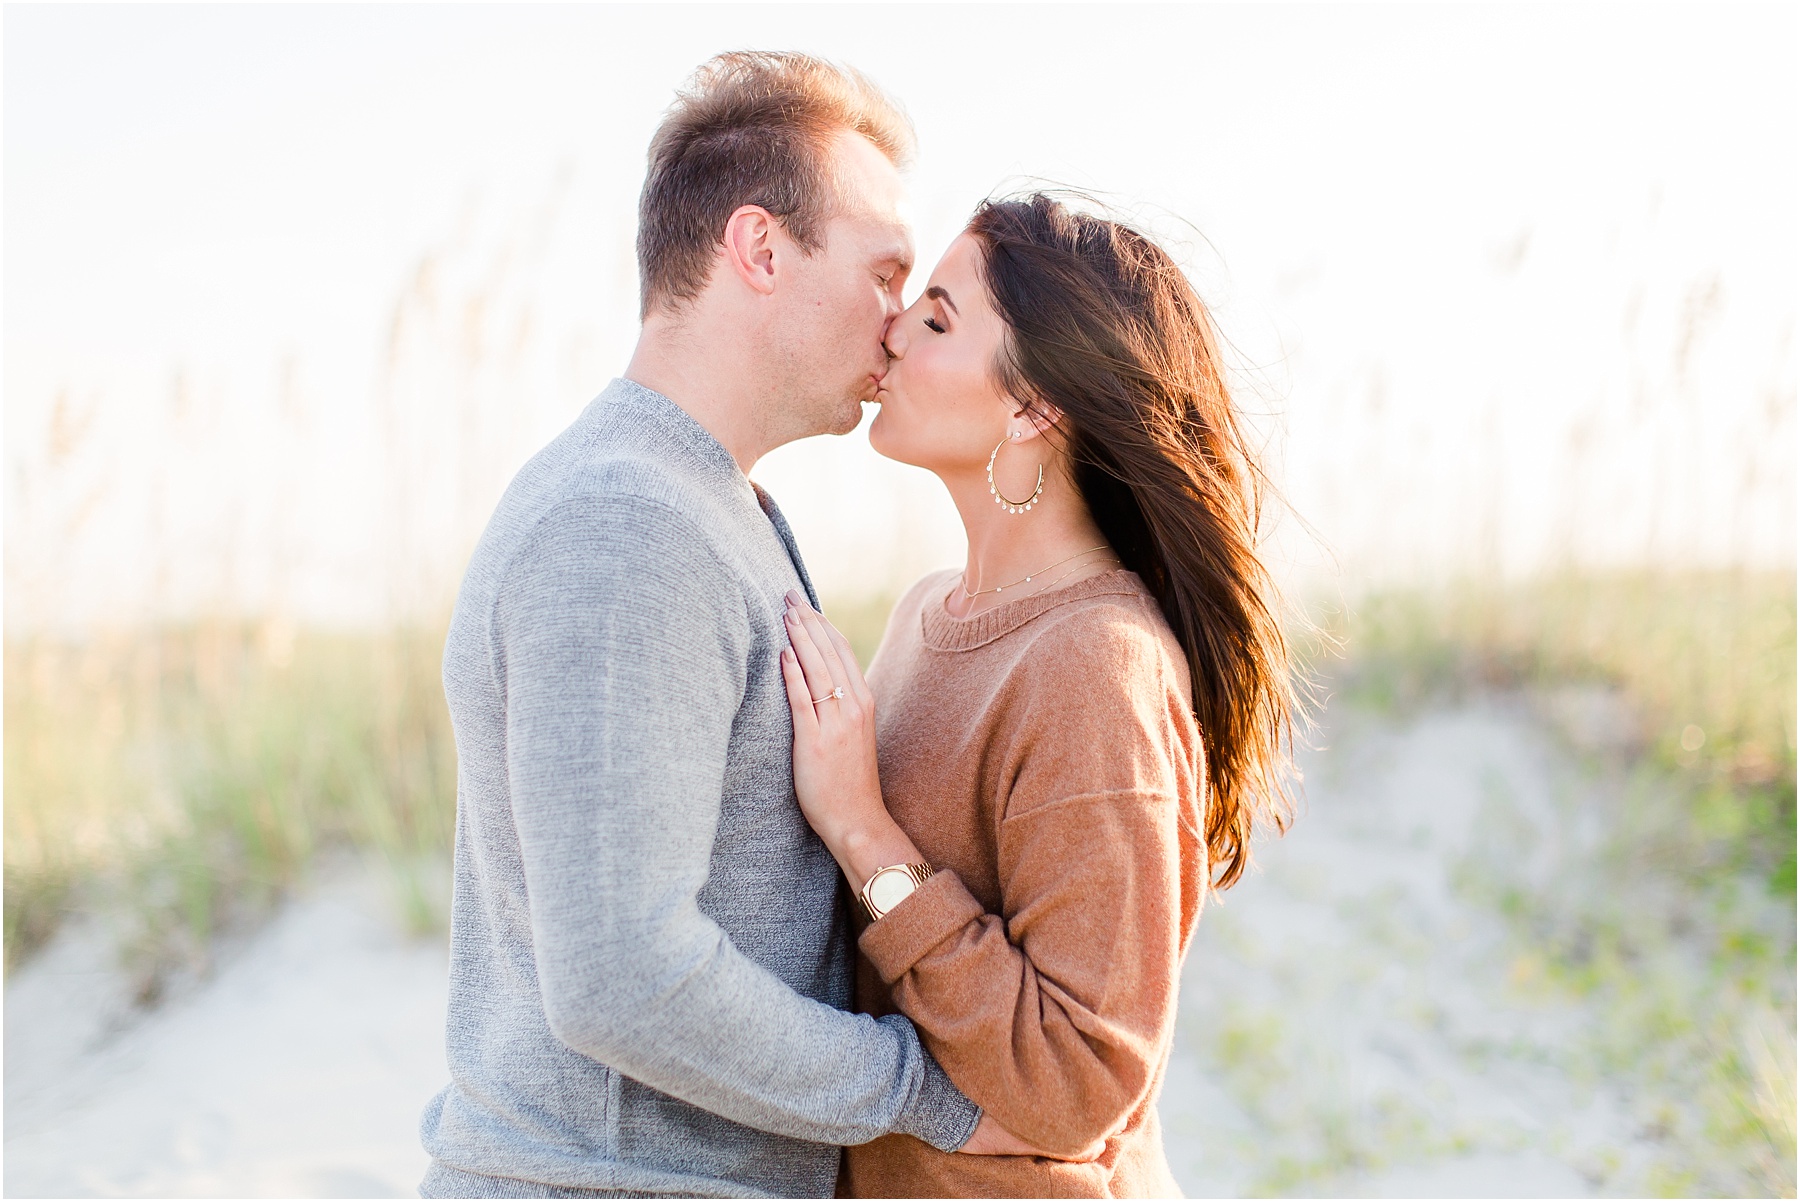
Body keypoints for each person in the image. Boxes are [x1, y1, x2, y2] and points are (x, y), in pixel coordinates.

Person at [417, 54, 1072, 1199]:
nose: (897, 327)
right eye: (883, 273)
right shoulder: (625, 524)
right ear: (760, 250)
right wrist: (926, 1091)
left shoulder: (713, 506)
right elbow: (621, 973)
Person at [776, 193, 1302, 1197]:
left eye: (935, 318)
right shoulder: (927, 613)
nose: (891, 328)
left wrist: (863, 830)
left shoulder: (1096, 666)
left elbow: (1078, 1076)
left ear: (1032, 405)